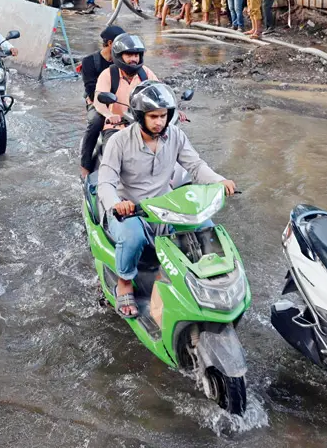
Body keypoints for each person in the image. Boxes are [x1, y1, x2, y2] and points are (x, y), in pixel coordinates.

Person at [96, 82, 235, 323]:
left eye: (163, 116)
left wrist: (219, 181)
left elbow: (195, 166)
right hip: (129, 210)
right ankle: (124, 283)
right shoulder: (118, 141)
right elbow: (106, 182)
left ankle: (212, 285)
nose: (160, 122)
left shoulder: (176, 136)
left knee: (205, 227)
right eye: (153, 117)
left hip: (164, 206)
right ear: (140, 116)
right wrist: (116, 204)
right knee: (133, 237)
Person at [77, 25, 124, 177]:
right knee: (96, 122)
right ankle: (85, 166)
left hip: (122, 101)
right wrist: (108, 109)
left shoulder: (124, 61)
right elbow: (91, 90)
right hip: (97, 102)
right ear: (110, 43)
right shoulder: (90, 62)